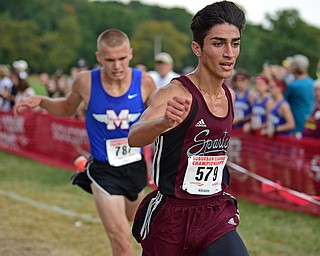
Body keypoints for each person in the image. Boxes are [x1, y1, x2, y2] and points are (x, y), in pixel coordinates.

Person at [14, 28, 156, 256]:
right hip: (103, 172)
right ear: (99, 57)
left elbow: (157, 118)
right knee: (121, 243)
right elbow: (67, 108)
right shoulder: (85, 82)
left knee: (138, 226)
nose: (117, 66)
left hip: (135, 168)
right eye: (110, 60)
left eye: (121, 58)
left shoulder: (145, 82)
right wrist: (42, 101)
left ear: (130, 54)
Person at [128, 1, 249, 255]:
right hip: (172, 216)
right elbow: (134, 137)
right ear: (198, 47)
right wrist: (163, 124)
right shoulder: (174, 93)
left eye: (235, 43)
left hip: (214, 211)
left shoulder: (230, 96)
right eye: (218, 43)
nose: (229, 53)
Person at [283, 54, 314, 138]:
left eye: (292, 65)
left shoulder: (293, 86)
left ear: (296, 67)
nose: (290, 67)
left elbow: (281, 102)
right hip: (306, 126)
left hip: (295, 127)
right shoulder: (311, 82)